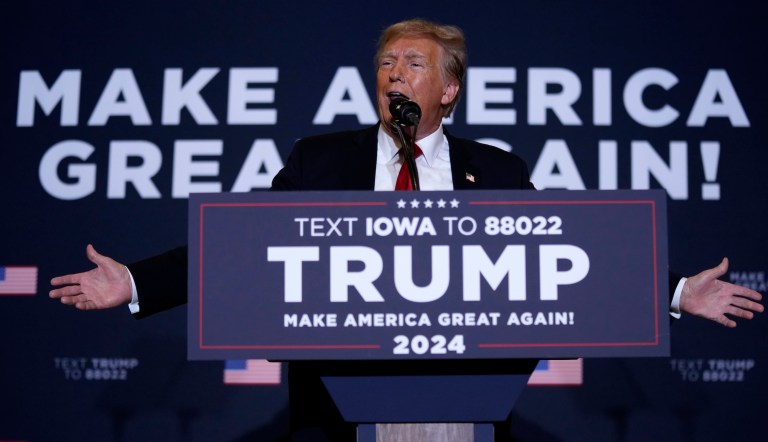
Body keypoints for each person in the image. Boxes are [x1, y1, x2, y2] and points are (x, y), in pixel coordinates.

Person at [50, 18, 763, 441]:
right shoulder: (321, 159)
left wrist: (673, 293)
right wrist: (139, 280)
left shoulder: (499, 168)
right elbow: (238, 254)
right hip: (336, 406)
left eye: (413, 64)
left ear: (448, 90)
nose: (394, 73)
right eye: (385, 63)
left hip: (466, 401)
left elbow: (566, 257)